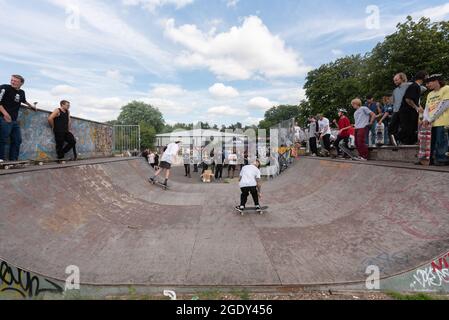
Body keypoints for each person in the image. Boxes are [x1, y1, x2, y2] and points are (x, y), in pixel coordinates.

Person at [0, 75, 37, 161]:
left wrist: (32, 106)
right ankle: (0, 158)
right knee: (3, 138)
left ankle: (13, 160)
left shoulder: (22, 92)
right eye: (12, 80)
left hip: (14, 120)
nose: (12, 82)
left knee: (17, 140)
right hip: (3, 118)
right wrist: (5, 114)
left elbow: (23, 100)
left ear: (21, 83)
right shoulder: (4, 88)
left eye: (15, 81)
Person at [422, 74, 449, 166]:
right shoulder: (430, 94)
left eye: (429, 83)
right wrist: (425, 118)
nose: (427, 85)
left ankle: (443, 159)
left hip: (443, 122)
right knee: (431, 143)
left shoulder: (446, 88)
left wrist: (430, 118)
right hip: (430, 123)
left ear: (436, 81)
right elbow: (426, 108)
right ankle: (430, 159)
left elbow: (444, 106)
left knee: (441, 141)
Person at [397, 71, 428, 145]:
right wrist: (416, 108)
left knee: (411, 129)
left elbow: (415, 100)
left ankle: (407, 142)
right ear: (422, 77)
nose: (428, 79)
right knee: (408, 129)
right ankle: (400, 140)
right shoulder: (415, 86)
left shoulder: (414, 85)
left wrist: (420, 108)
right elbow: (408, 99)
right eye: (427, 77)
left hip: (408, 111)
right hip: (408, 112)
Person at [389, 73, 412, 145]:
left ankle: (404, 142)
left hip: (405, 110)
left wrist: (408, 84)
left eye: (396, 80)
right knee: (391, 127)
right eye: (394, 80)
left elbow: (422, 88)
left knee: (405, 128)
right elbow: (394, 101)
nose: (395, 82)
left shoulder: (409, 86)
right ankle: (392, 142)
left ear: (402, 79)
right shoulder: (395, 90)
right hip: (396, 111)